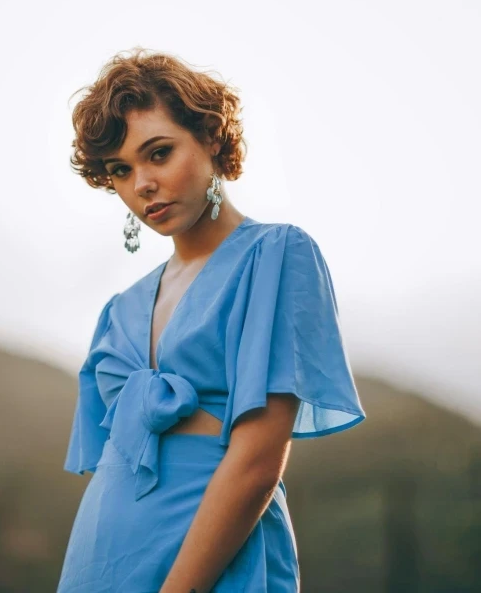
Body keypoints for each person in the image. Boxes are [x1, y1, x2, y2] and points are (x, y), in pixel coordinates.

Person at [59, 48, 366, 592]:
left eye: (159, 153)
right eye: (121, 171)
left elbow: (258, 461)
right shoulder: (120, 309)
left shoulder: (275, 256)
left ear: (213, 139)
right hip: (99, 564)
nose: (142, 185)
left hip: (209, 565)